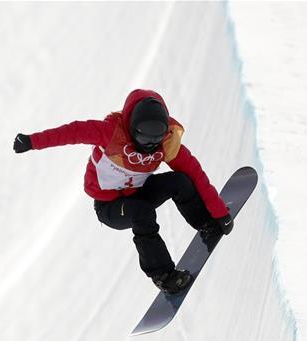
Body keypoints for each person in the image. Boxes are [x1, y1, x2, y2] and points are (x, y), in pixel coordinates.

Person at [13, 89, 233, 294]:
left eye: (156, 139)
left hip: (138, 192)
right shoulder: (110, 133)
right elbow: (72, 132)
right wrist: (32, 141)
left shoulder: (167, 144)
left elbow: (196, 174)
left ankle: (204, 223)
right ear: (131, 128)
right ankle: (163, 275)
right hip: (109, 207)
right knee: (142, 212)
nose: (149, 145)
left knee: (181, 181)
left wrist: (219, 212)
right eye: (144, 138)